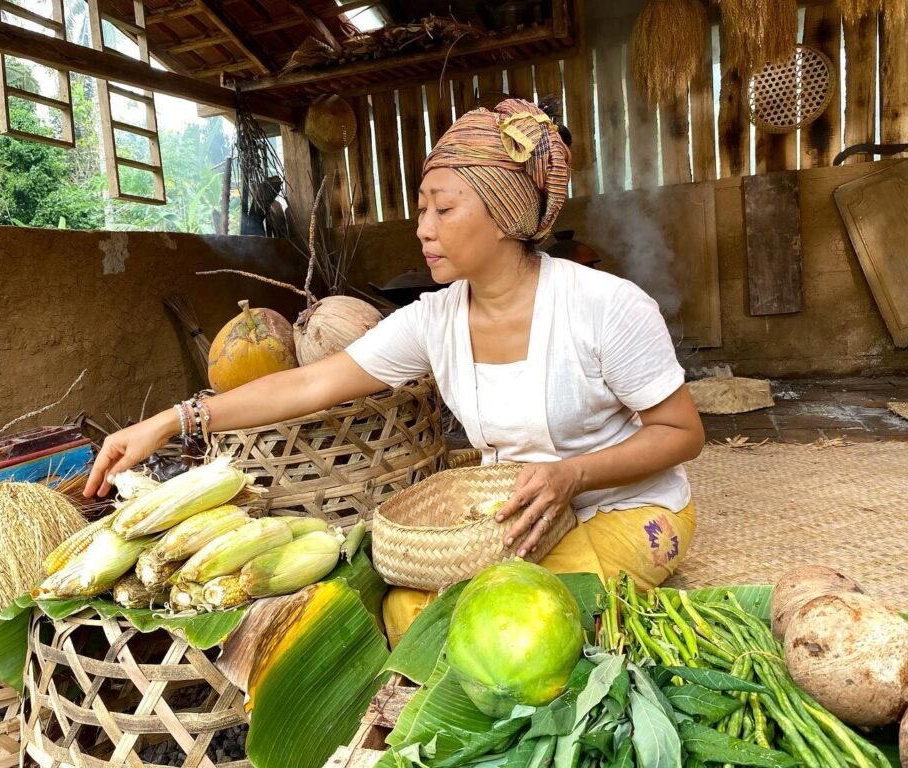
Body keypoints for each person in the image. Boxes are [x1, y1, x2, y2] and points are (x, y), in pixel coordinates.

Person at [85, 99, 704, 646]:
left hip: (622, 508)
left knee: (535, 620)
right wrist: (174, 420)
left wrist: (573, 474)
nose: (422, 227)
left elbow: (682, 433)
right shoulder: (434, 319)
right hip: (513, 517)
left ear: (505, 214)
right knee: (409, 610)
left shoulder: (606, 307)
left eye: (443, 208)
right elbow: (310, 383)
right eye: (420, 209)